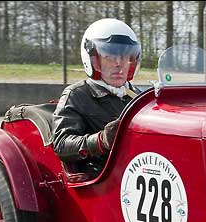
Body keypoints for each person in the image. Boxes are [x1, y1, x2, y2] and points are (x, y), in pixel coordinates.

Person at [52, 18, 141, 176]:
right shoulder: (76, 95)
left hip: (139, 171)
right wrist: (101, 140)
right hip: (102, 177)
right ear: (93, 59)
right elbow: (61, 144)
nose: (119, 64)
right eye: (109, 56)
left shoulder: (139, 97)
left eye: (126, 57)